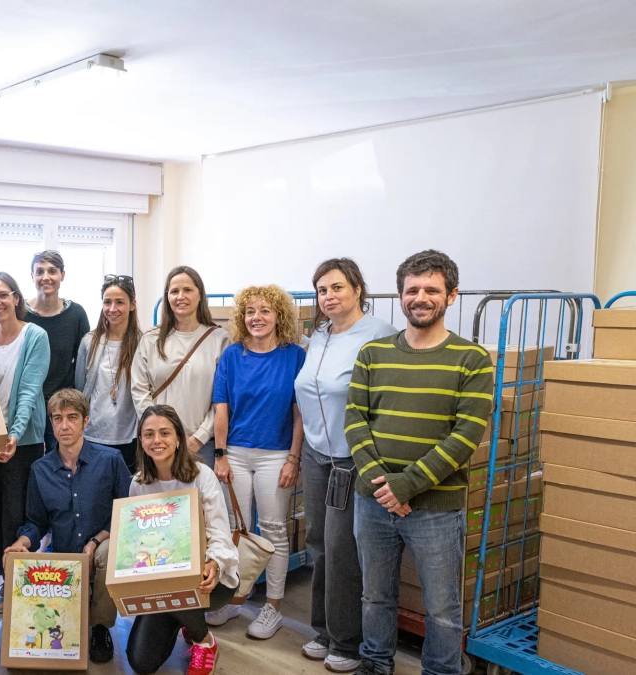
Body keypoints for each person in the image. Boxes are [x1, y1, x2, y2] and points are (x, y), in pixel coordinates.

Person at [346, 250, 493, 675]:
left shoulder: (472, 359)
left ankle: (442, 671)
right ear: (400, 296)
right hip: (373, 502)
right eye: (412, 290)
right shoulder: (372, 354)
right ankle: (374, 664)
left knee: (443, 608)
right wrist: (382, 485)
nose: (421, 297)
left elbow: (465, 437)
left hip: (436, 508)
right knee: (374, 596)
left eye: (432, 289)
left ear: (452, 296)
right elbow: (355, 420)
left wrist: (406, 486)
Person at [294, 259, 396, 672]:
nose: (329, 296)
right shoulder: (318, 334)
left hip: (349, 459)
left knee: (340, 549)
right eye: (322, 290)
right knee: (317, 542)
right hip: (316, 454)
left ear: (357, 289)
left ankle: (347, 642)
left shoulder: (380, 334)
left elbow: (386, 401)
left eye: (337, 287)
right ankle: (323, 630)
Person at [205, 285, 306, 638]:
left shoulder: (295, 356)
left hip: (276, 455)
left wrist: (294, 458)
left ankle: (273, 606)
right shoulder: (232, 356)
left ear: (279, 315)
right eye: (250, 311)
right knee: (235, 528)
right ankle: (235, 600)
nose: (257, 318)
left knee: (274, 529)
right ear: (241, 318)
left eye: (265, 310)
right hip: (234, 452)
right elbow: (222, 408)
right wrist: (220, 454)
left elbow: (299, 414)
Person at [3, 389, 131, 664]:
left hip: (101, 554)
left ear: (86, 421)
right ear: (51, 422)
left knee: (107, 553)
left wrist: (96, 540)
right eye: (57, 418)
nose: (64, 425)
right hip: (64, 559)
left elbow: (127, 514)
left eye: (72, 417)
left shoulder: (110, 461)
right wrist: (21, 544)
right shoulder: (40, 469)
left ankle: (100, 628)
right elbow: (36, 522)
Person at [125, 405, 240, 675]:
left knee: (183, 583)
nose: (157, 440)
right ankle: (184, 619)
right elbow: (135, 539)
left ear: (178, 438)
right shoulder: (138, 484)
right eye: (149, 434)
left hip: (208, 579)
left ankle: (204, 640)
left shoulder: (202, 476)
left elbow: (220, 531)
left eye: (165, 433)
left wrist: (214, 562)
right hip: (160, 580)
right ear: (141, 441)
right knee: (140, 663)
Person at [0, 271, 50, 613]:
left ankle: (22, 579)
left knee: (17, 512)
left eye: (3, 295)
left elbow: (30, 391)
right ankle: (6, 576)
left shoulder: (35, 336)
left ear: (17, 298)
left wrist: (14, 434)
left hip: (23, 441)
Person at [131, 267, 231, 472]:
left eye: (187, 290)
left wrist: (199, 437)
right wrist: (159, 433)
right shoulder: (151, 339)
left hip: (202, 445)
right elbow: (140, 391)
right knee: (160, 503)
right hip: (158, 445)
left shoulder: (219, 339)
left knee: (200, 503)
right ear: (167, 296)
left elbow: (223, 399)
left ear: (200, 294)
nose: (180, 296)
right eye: (174, 291)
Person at [25, 250, 92, 455]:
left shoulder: (76, 314)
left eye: (52, 271)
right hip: (29, 406)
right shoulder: (21, 314)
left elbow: (84, 364)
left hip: (63, 407)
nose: (46, 277)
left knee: (62, 465)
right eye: (40, 272)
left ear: (62, 275)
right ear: (32, 276)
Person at [75, 275, 142, 473]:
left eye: (119, 302)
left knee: (125, 497)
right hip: (93, 435)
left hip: (129, 437)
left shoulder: (143, 343)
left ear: (132, 305)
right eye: (107, 302)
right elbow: (79, 389)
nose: (112, 309)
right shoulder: (89, 342)